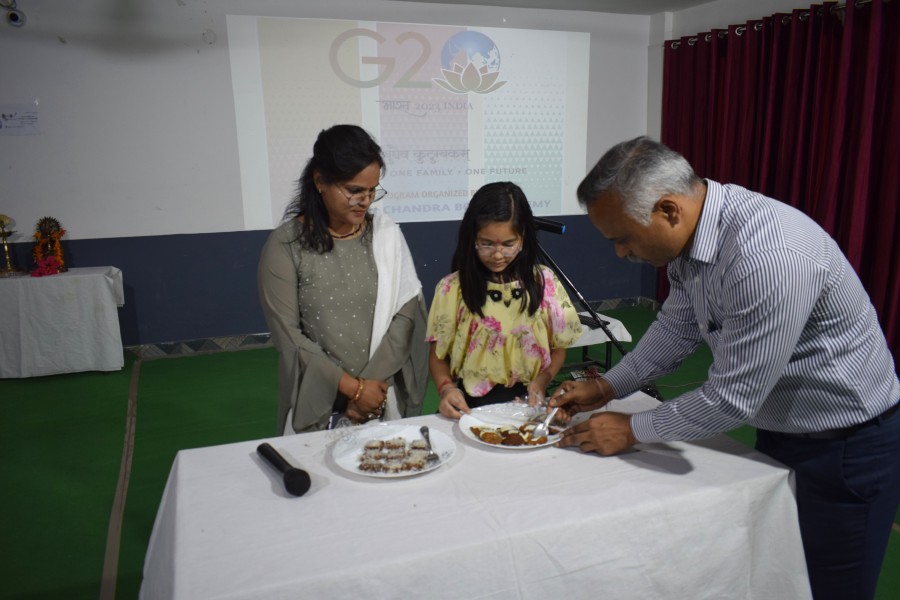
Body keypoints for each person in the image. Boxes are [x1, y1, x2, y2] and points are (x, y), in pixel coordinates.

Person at [550, 136, 900, 600]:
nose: (619, 254)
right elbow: (677, 328)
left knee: (831, 585)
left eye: (624, 239)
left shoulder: (768, 257)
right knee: (779, 572)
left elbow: (732, 399)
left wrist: (631, 428)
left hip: (847, 447)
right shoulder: (694, 240)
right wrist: (608, 387)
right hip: (784, 429)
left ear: (669, 211)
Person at [258, 124, 428, 434]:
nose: (365, 200)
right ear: (319, 181)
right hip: (319, 399)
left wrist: (369, 389)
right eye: (354, 190)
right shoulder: (286, 245)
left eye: (372, 190)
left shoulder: (386, 236)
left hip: (380, 394)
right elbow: (289, 336)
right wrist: (354, 389)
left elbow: (405, 316)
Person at [427, 181, 583, 419]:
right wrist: (447, 388)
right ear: (472, 238)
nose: (498, 254)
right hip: (470, 407)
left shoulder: (545, 283)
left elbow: (557, 349)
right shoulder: (452, 289)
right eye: (486, 244)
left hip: (528, 405)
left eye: (509, 244)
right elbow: (438, 356)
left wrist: (543, 379)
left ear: (523, 238)